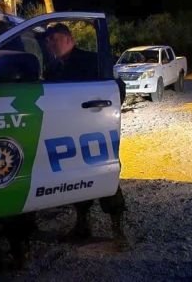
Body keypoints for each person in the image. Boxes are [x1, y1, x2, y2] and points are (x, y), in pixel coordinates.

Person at [43, 23, 130, 249]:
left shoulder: (91, 61)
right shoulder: (53, 69)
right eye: (49, 40)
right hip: (68, 132)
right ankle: (82, 226)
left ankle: (118, 231)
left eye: (55, 39)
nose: (51, 43)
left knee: (105, 176)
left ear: (70, 39)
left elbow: (117, 88)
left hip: (95, 131)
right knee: (76, 180)